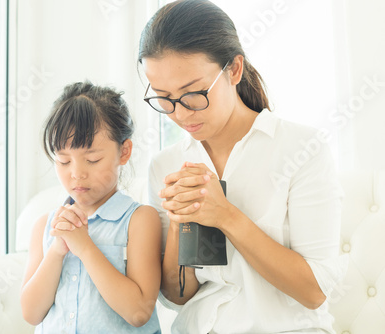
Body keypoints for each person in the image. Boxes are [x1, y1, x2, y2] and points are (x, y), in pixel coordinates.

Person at [138, 0, 347, 333]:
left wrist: (225, 215)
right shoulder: (165, 165)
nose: (179, 113)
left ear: (234, 69)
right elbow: (176, 297)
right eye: (163, 98)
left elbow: (314, 292)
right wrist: (179, 223)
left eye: (192, 93)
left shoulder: (301, 149)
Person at [20, 81, 162, 333]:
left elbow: (139, 312)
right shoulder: (45, 226)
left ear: (124, 152)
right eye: (63, 161)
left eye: (92, 159)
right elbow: (31, 313)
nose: (76, 173)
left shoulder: (139, 220)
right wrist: (56, 251)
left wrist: (84, 247)